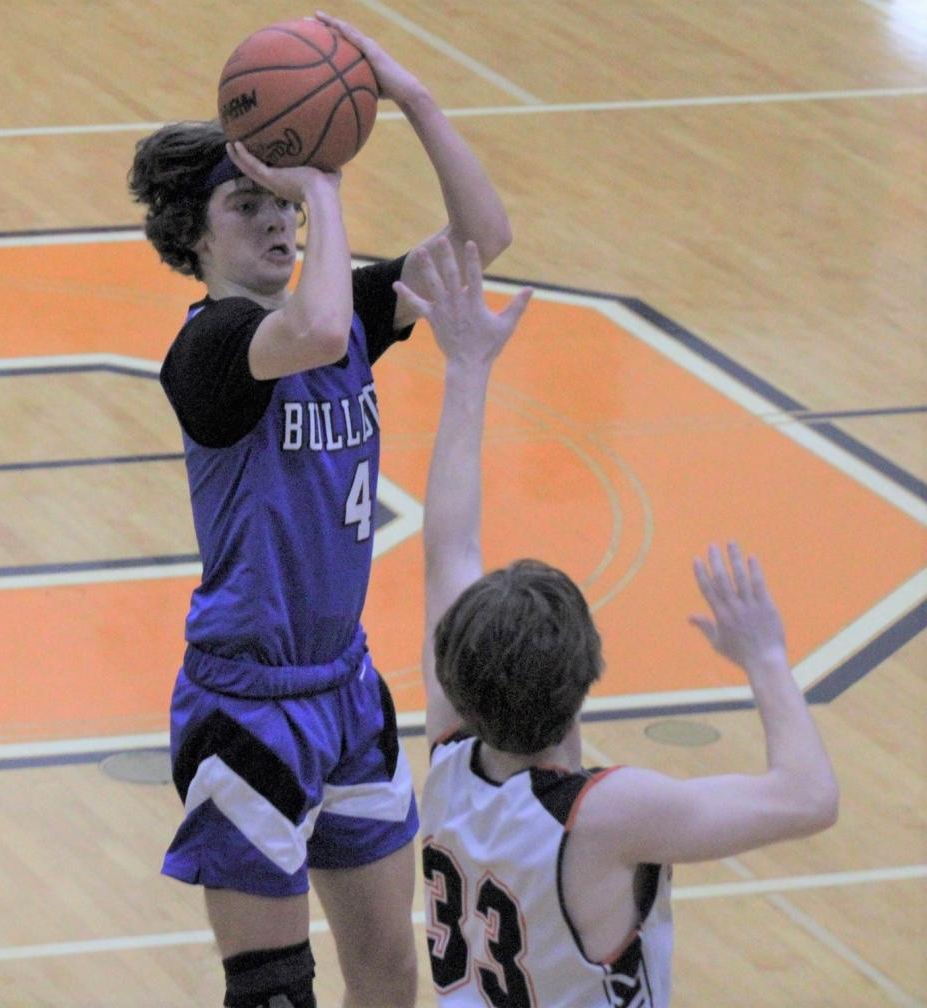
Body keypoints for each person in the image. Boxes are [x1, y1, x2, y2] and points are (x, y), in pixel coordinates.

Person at [127, 10, 511, 1007]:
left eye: (284, 199)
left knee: (390, 973)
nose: (280, 218)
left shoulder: (336, 324)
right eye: (248, 202)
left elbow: (485, 239)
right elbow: (321, 318)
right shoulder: (209, 352)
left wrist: (410, 97)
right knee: (275, 995)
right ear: (191, 232)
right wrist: (323, 180)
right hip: (245, 703)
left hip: (344, 689)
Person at [402, 238, 840, 1007]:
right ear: (586, 679)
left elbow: (449, 549)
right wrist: (766, 655)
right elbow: (808, 800)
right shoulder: (604, 815)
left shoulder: (448, 758)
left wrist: (467, 369)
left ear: (455, 680)